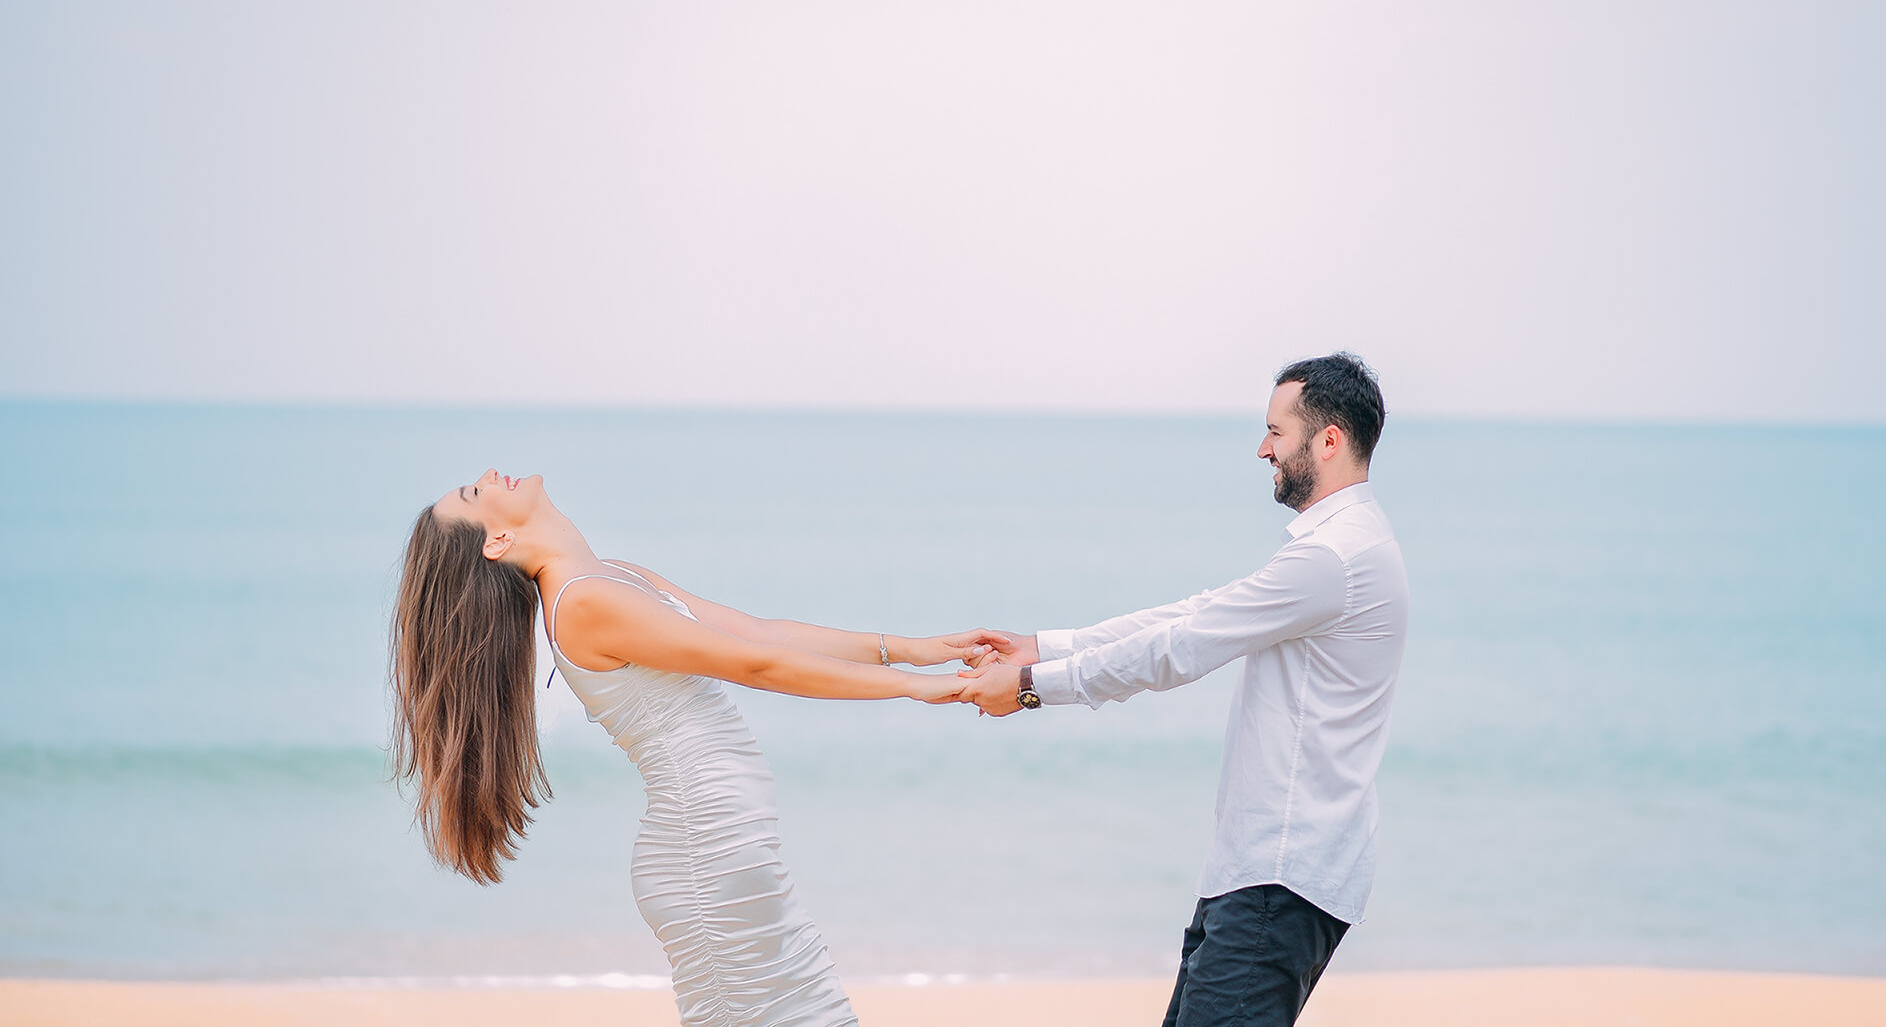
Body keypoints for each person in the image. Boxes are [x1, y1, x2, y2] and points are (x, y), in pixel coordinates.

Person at [389, 469, 984, 1027]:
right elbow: (759, 664)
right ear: (496, 540)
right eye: (473, 491)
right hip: (705, 856)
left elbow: (761, 633)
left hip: (726, 849)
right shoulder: (585, 603)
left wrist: (917, 649)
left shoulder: (612, 577)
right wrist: (919, 690)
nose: (491, 475)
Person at [957, 353, 1409, 1027]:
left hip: (1278, 878)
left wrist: (1028, 688)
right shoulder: (1336, 550)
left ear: (1330, 440)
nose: (1263, 449)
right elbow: (1194, 614)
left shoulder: (1331, 560)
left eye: (1277, 432)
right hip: (1260, 875)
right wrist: (1045, 647)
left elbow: (1179, 650)